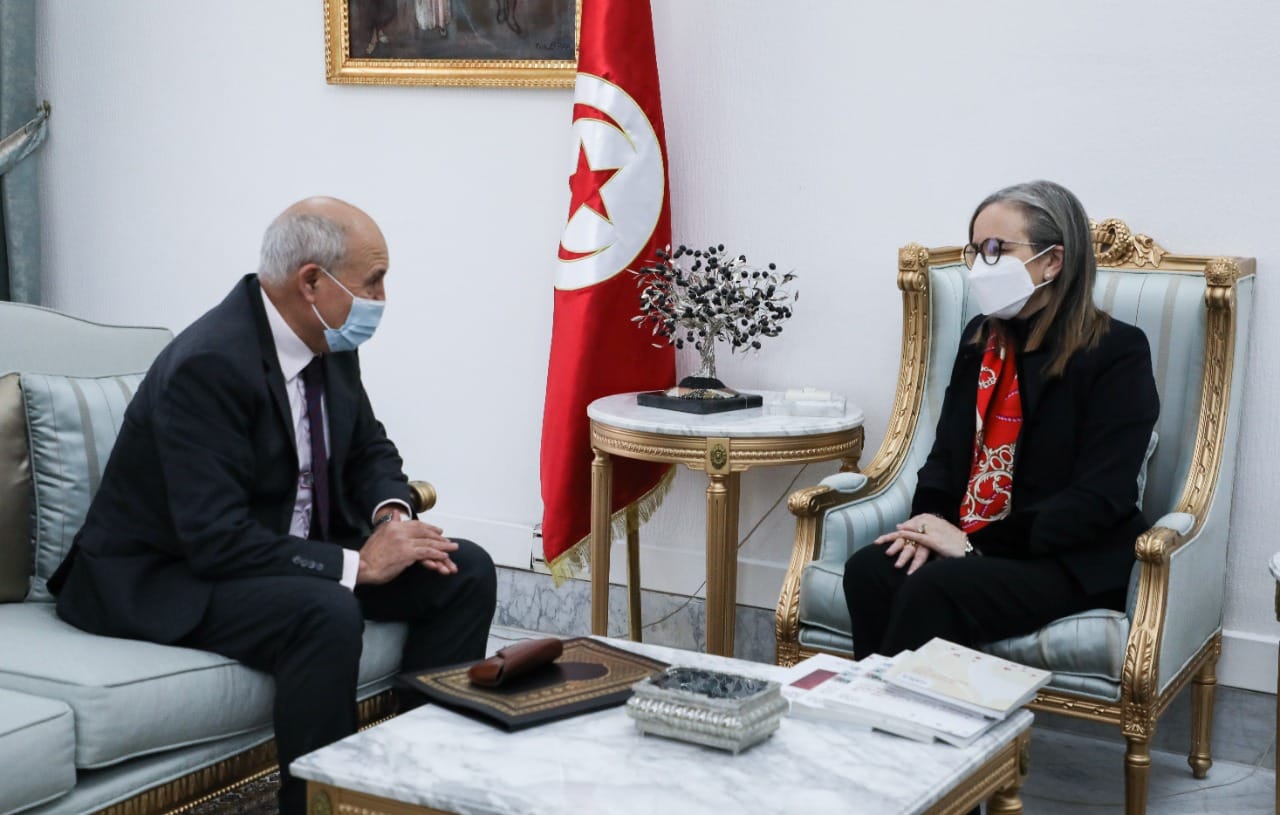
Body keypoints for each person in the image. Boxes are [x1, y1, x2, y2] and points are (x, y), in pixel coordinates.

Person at [49, 197, 498, 815]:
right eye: (373, 281)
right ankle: (321, 804)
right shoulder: (209, 364)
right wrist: (358, 566)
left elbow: (368, 448)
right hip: (173, 572)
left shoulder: (327, 340)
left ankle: (415, 784)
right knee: (325, 608)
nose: (382, 298)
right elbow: (215, 539)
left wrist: (392, 520)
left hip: (272, 551)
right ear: (311, 282)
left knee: (463, 568)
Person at [843, 180, 1159, 660]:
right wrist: (929, 526)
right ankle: (878, 703)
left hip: (1069, 558)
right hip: (977, 539)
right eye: (976, 251)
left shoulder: (1118, 351)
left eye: (996, 249)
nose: (980, 265)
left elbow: (1102, 496)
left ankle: (901, 707)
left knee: (936, 588)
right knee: (870, 569)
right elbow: (946, 456)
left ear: (1053, 261)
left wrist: (975, 546)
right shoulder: (980, 339)